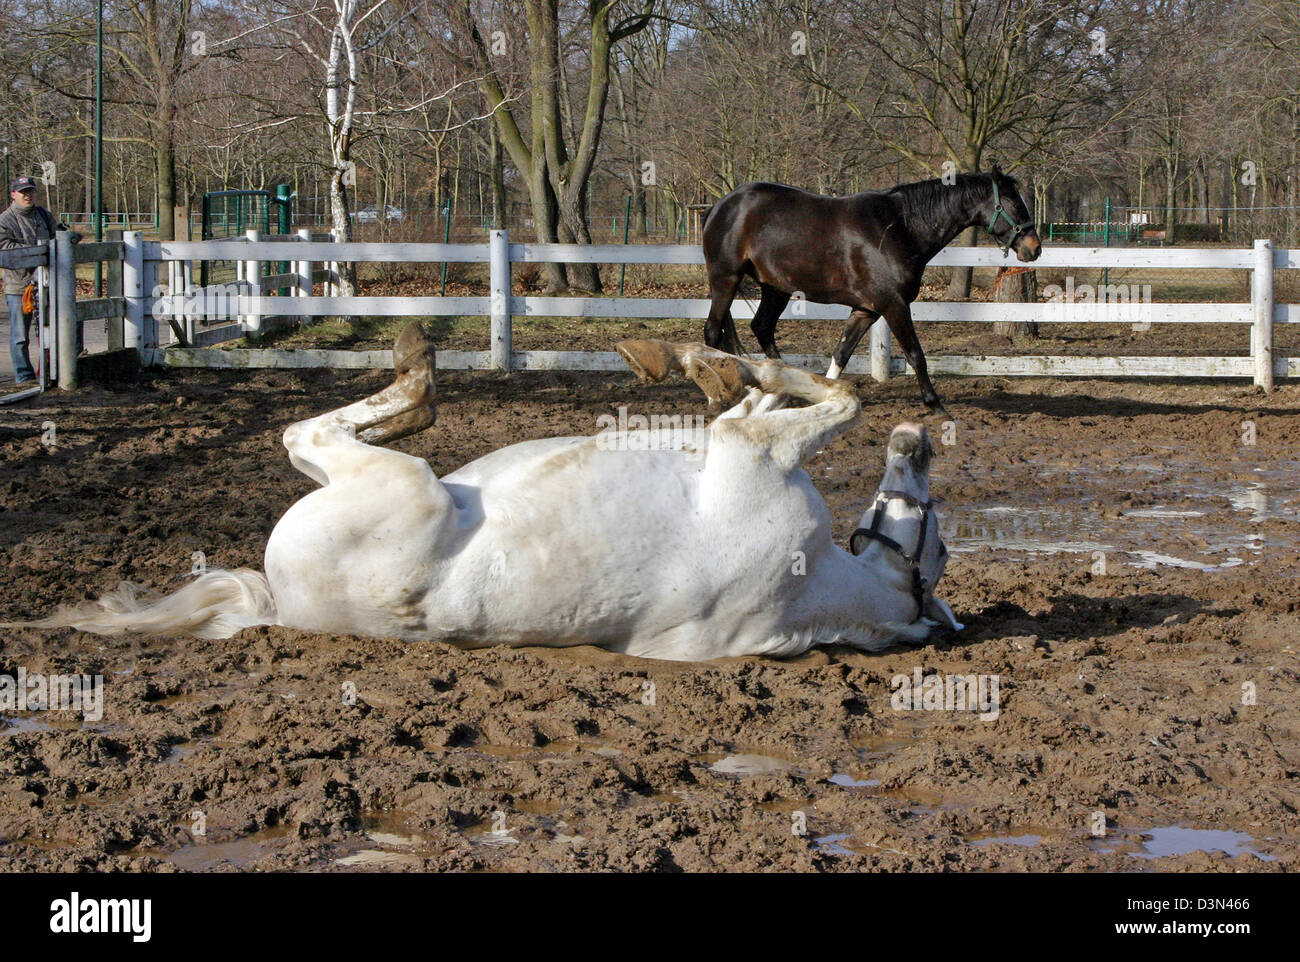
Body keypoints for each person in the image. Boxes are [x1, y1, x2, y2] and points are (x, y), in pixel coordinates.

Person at [0, 176, 77, 384]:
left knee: (54, 328)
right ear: (13, 194)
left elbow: (56, 237)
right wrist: (38, 253)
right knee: (19, 336)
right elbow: (5, 249)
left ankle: (50, 370)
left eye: (30, 191)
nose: (27, 195)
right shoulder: (5, 220)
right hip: (19, 287)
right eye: (23, 191)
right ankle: (23, 377)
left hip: (48, 283)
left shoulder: (43, 214)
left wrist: (67, 238)